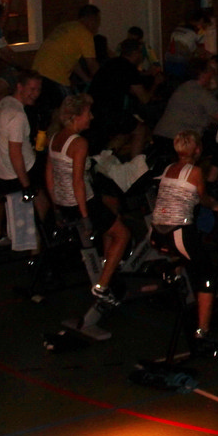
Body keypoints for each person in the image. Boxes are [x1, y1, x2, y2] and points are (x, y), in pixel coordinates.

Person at [149, 129, 218, 352]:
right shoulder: (194, 171)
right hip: (177, 231)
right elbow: (202, 198)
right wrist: (216, 205)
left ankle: (176, 281)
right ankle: (202, 331)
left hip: (157, 232)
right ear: (197, 150)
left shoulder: (169, 168)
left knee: (187, 257)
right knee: (206, 274)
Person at [48, 95, 131, 304]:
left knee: (111, 205)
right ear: (76, 117)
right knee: (123, 234)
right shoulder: (79, 143)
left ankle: (106, 261)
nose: (91, 117)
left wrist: (56, 206)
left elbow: (49, 174)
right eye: (88, 113)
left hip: (64, 201)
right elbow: (77, 181)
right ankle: (102, 287)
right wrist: (85, 216)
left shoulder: (55, 138)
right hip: (80, 202)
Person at [0, 69, 49, 249]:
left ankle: (37, 240)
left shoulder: (5, 102)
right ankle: (40, 244)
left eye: (38, 89)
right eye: (31, 89)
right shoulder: (17, 116)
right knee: (41, 203)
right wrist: (26, 185)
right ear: (19, 87)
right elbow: (15, 153)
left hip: (2, 169)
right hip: (18, 170)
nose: (35, 94)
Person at [85, 38, 152, 150]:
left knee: (126, 130)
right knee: (140, 129)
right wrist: (156, 84)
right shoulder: (129, 68)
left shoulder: (110, 63)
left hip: (93, 110)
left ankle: (106, 155)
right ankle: (136, 160)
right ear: (135, 53)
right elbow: (144, 99)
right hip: (109, 112)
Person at [33, 5, 102, 110]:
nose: (97, 26)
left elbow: (72, 61)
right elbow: (92, 64)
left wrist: (86, 79)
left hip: (38, 72)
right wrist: (103, 82)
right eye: (97, 21)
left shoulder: (67, 27)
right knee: (68, 111)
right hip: (54, 76)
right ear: (91, 19)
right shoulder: (85, 33)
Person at [153, 57, 218, 150]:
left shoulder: (183, 88)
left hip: (161, 134)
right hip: (180, 140)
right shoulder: (202, 94)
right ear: (203, 74)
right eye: (211, 71)